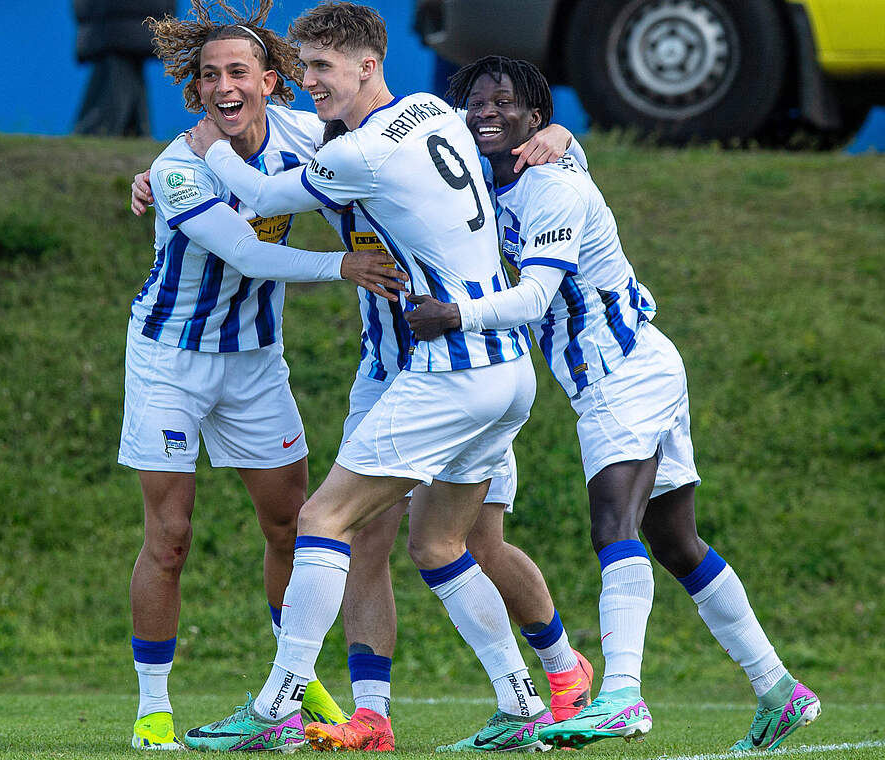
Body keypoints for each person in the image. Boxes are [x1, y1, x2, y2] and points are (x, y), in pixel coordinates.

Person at [406, 55, 823, 752]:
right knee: (675, 542)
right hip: (633, 368)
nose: (485, 112)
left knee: (613, 525)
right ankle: (779, 689)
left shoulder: (554, 190)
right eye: (474, 101)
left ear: (534, 119)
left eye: (503, 101)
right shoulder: (486, 169)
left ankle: (623, 695)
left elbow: (537, 296)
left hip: (622, 373)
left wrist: (455, 315)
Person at [176, 3, 555, 751]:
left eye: (320, 68)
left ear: (366, 66)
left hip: (448, 369)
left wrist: (206, 145)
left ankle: (276, 706)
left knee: (323, 520)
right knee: (440, 546)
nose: (306, 82)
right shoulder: (431, 110)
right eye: (303, 66)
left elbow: (258, 198)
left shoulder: (360, 154)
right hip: (508, 368)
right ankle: (522, 704)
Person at [121, 0, 407, 749]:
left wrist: (553, 136)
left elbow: (387, 139)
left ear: (271, 82)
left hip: (254, 365)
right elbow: (246, 255)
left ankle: (296, 684)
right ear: (196, 89)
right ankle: (154, 704)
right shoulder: (179, 166)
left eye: (237, 71)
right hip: (170, 364)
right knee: (171, 538)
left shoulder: (304, 134)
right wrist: (343, 264)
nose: (223, 85)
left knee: (291, 526)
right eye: (209, 74)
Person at [306, 119, 594, 753]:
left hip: (463, 367)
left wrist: (565, 133)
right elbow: (263, 138)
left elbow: (521, 149)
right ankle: (372, 715)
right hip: (385, 375)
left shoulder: (431, 151)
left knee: (477, 545)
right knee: (366, 539)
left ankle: (563, 666)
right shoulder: (323, 143)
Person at [72, 0, 174, 137]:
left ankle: (108, 132)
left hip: (115, 26)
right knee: (122, 80)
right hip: (121, 26)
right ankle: (130, 133)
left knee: (117, 82)